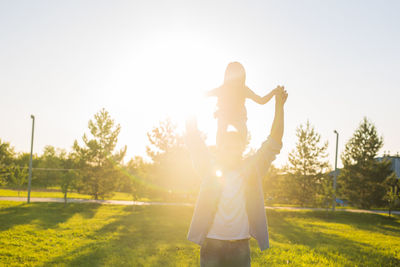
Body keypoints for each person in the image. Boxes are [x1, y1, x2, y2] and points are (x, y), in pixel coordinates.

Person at [185, 87, 288, 266]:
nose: (231, 151)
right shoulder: (209, 167)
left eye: (235, 147)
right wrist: (191, 101)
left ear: (242, 148)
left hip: (240, 247)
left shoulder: (252, 168)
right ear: (220, 148)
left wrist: (279, 106)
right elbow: (193, 137)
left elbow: (274, 140)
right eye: (227, 147)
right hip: (211, 245)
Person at [206, 62, 280, 145]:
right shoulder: (223, 89)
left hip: (239, 117)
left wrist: (273, 92)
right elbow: (207, 94)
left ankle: (239, 148)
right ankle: (220, 148)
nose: (235, 81)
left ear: (242, 78)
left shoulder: (244, 90)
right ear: (228, 77)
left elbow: (261, 100)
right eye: (233, 77)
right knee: (222, 127)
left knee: (242, 130)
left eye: (238, 78)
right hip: (224, 115)